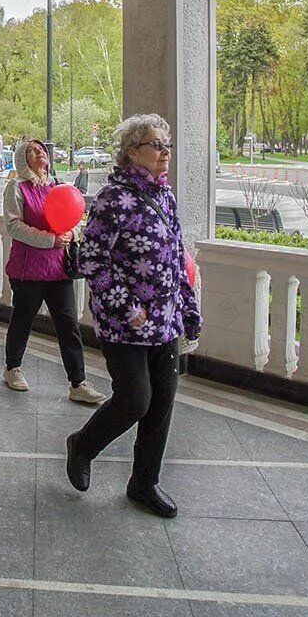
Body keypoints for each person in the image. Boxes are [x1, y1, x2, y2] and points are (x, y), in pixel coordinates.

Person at [64, 114, 201, 518]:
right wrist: (128, 306)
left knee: (161, 405)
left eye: (167, 145)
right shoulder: (113, 199)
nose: (165, 153)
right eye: (156, 145)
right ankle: (83, 445)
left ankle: (144, 483)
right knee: (135, 400)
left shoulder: (165, 197)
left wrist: (189, 309)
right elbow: (91, 258)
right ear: (131, 152)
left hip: (166, 321)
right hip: (125, 323)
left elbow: (177, 258)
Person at [1, 138, 106, 405]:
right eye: (31, 151)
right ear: (22, 160)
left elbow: (74, 220)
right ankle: (12, 367)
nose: (39, 153)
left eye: (40, 149)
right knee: (23, 320)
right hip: (28, 270)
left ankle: (78, 382)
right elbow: (14, 226)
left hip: (58, 269)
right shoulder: (17, 187)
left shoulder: (58, 187)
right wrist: (50, 239)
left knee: (68, 324)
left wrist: (70, 233)